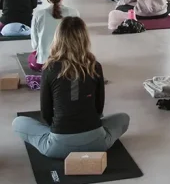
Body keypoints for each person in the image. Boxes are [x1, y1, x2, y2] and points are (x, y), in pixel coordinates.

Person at [12, 16, 129, 159]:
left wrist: (60, 129)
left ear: (58, 39)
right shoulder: (95, 66)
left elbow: (46, 113)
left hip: (57, 147)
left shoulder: (49, 68)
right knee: (123, 118)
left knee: (18, 123)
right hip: (97, 143)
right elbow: (99, 109)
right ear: (84, 39)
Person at [29, 0, 79, 69]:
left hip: (45, 60)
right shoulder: (74, 12)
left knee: (31, 59)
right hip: (70, 59)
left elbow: (35, 44)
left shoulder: (39, 14)